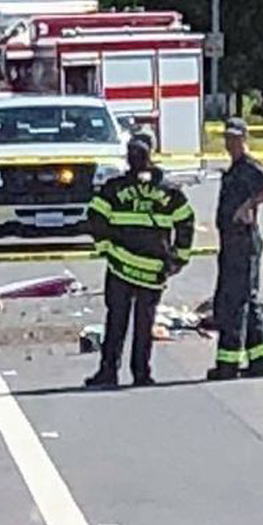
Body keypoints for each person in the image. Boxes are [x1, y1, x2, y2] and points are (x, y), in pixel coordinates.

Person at [85, 134, 195, 389]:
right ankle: (141, 374)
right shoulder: (168, 190)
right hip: (152, 270)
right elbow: (186, 222)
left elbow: (95, 218)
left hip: (120, 267)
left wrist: (106, 249)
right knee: (143, 324)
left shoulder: (114, 188)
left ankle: (108, 372)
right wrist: (179, 258)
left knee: (116, 322)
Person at [208, 118, 263, 381]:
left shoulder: (249, 166)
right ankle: (260, 359)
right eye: (227, 138)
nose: (230, 143)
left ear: (244, 138)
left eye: (235, 138)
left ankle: (228, 363)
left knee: (233, 303)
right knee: (246, 299)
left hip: (243, 242)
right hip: (231, 242)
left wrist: (248, 205)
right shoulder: (235, 167)